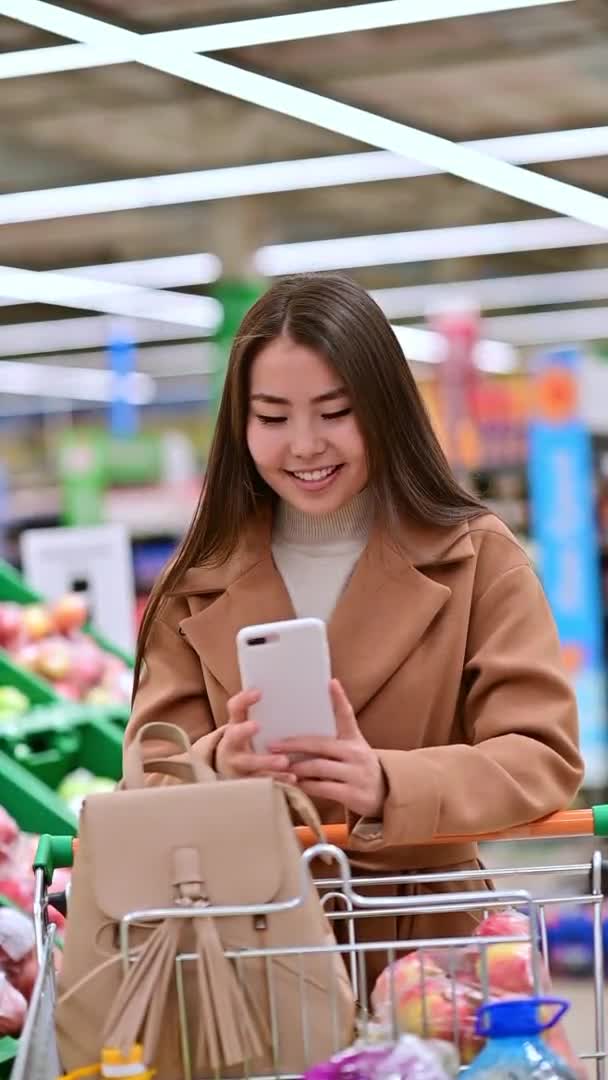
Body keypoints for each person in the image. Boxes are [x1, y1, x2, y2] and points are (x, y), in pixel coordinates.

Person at [125, 272, 583, 984]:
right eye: (272, 418)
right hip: (249, 955)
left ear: (385, 408)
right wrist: (219, 766)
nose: (304, 445)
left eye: (334, 412)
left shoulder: (477, 558)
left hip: (434, 956)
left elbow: (541, 757)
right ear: (239, 425)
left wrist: (388, 783)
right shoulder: (196, 581)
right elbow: (144, 781)